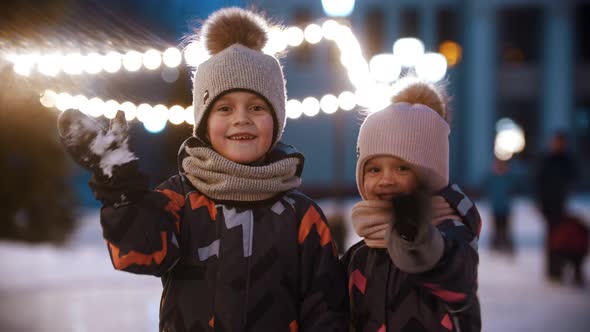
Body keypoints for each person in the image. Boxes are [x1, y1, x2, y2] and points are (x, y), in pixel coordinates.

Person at [57, 7, 348, 331]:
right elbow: (139, 252)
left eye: (257, 107)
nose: (241, 118)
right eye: (224, 108)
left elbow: (327, 311)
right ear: (204, 122)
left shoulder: (301, 216)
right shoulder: (178, 199)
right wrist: (122, 188)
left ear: (277, 120)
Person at [342, 77, 482, 331]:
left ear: (430, 176)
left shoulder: (451, 234)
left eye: (402, 168)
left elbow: (456, 278)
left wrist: (418, 240)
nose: (386, 180)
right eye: (374, 169)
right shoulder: (360, 254)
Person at [535, 131, 579, 283]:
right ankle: (553, 271)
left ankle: (559, 269)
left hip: (561, 205)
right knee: (552, 239)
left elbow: (573, 177)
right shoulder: (547, 160)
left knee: (561, 239)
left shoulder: (566, 160)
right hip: (549, 206)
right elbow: (538, 182)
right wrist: (539, 202)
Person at [484, 157, 516, 255]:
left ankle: (506, 247)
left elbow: (513, 189)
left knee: (505, 229)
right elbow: (486, 188)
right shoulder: (492, 178)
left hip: (505, 208)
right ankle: (495, 247)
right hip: (495, 208)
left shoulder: (508, 178)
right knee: (496, 229)